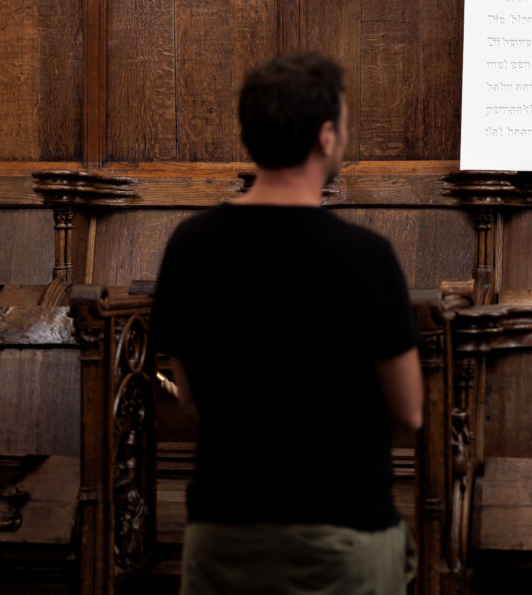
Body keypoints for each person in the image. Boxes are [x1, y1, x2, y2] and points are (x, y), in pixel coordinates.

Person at [151, 50, 422, 595]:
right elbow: (409, 411)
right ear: (326, 137)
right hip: (342, 530)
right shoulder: (365, 255)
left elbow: (188, 391)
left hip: (225, 527)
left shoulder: (191, 245)